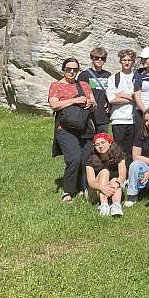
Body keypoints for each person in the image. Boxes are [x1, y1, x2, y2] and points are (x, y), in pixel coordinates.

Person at [49, 57, 96, 203]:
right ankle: (68, 191)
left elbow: (94, 103)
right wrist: (74, 101)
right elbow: (54, 105)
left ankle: (82, 187)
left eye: (74, 69)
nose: (71, 72)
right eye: (68, 69)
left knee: (85, 158)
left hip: (84, 127)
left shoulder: (83, 85)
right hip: (65, 128)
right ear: (63, 70)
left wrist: (90, 104)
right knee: (73, 158)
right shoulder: (56, 85)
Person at [125, 107, 149, 206]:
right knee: (135, 165)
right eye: (146, 120)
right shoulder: (141, 134)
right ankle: (132, 195)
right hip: (147, 166)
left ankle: (148, 190)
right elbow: (136, 156)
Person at [106, 49, 137, 164]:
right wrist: (131, 98)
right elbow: (112, 99)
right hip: (118, 119)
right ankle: (120, 174)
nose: (127, 62)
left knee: (131, 150)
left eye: (129, 60)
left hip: (133, 119)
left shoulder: (136, 77)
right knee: (119, 149)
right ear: (120, 61)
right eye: (124, 60)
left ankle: (129, 174)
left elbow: (138, 96)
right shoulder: (114, 78)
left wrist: (121, 95)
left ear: (133, 61)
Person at [85, 132, 126, 217]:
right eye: (97, 145)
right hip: (94, 191)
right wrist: (103, 188)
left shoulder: (119, 155)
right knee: (104, 172)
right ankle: (104, 205)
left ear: (109, 142)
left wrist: (115, 185)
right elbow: (91, 182)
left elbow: (123, 174)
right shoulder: (90, 160)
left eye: (103, 143)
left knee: (115, 179)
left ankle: (116, 206)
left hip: (112, 190)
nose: (100, 146)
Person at [78, 47, 112, 134]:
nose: (100, 60)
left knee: (103, 141)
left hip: (103, 114)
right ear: (92, 59)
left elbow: (112, 92)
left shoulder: (108, 75)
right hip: (88, 113)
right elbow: (80, 93)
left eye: (103, 58)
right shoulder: (84, 75)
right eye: (97, 58)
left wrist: (109, 102)